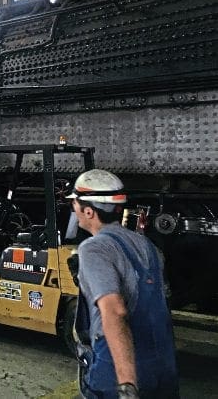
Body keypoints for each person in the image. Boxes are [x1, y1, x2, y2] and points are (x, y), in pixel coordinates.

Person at [66, 169, 178, 399]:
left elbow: (115, 311)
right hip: (162, 365)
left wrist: (127, 385)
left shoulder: (93, 248)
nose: (73, 210)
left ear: (89, 211)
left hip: (119, 368)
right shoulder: (147, 246)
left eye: (75, 204)